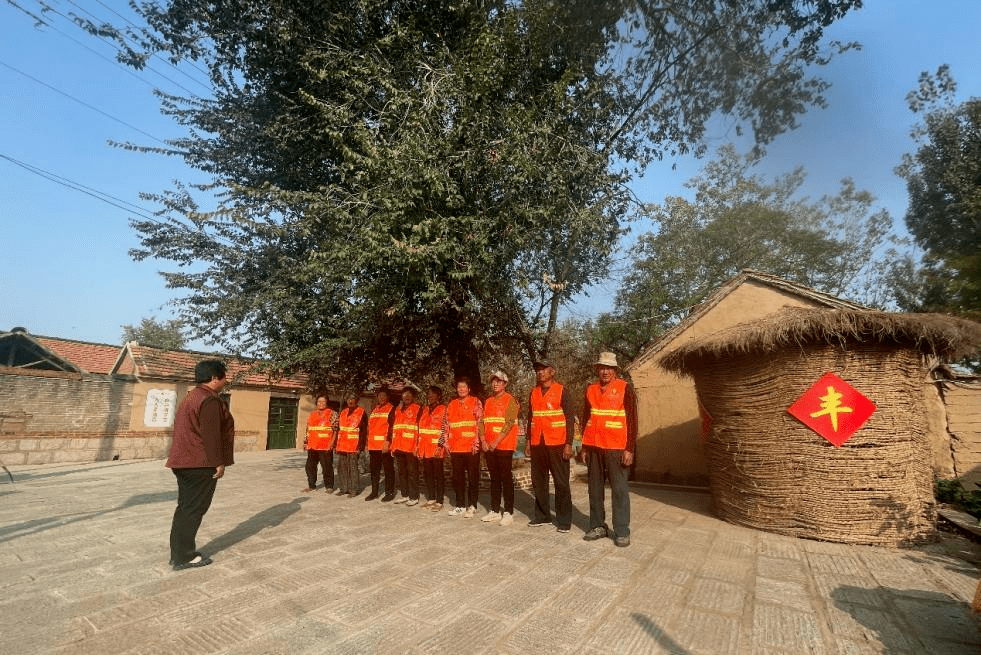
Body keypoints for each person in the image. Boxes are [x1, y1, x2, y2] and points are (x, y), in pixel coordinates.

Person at [166, 359, 235, 570]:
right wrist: (218, 463)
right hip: (199, 462)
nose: (226, 380)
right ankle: (184, 557)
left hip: (184, 461)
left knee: (186, 508)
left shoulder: (192, 396)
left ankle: (178, 553)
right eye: (224, 376)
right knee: (193, 509)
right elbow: (211, 435)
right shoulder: (209, 400)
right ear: (214, 378)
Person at [581, 352, 638, 547]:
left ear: (615, 370)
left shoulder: (625, 388)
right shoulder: (590, 389)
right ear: (597, 369)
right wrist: (584, 446)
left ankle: (622, 530)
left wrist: (629, 448)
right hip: (594, 446)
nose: (605, 371)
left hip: (616, 447)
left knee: (619, 490)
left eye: (609, 368)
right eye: (602, 368)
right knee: (594, 489)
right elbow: (586, 418)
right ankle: (597, 526)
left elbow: (632, 420)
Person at [525, 359, 575, 533]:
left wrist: (569, 443)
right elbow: (530, 418)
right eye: (538, 370)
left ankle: (564, 520)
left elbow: (569, 418)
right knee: (538, 482)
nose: (540, 373)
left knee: (561, 483)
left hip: (557, 443)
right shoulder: (533, 392)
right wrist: (528, 441)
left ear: (552, 372)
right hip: (538, 443)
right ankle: (542, 516)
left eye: (544, 370)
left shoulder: (562, 391)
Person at [481, 371, 519, 526]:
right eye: (494, 381)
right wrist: (483, 440)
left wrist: (496, 441)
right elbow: (482, 422)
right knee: (494, 479)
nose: (495, 384)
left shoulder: (511, 400)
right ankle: (495, 510)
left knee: (506, 478)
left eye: (499, 381)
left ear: (505, 384)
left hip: (504, 445)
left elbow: (509, 423)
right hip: (490, 447)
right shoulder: (488, 401)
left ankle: (509, 512)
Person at [441, 376, 483, 518]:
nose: (461, 389)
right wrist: (446, 443)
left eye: (464, 387)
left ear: (469, 388)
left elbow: (480, 423)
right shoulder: (451, 404)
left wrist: (477, 443)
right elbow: (446, 425)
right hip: (455, 448)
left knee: (472, 478)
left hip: (471, 448)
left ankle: (472, 505)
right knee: (457, 478)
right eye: (459, 387)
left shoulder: (476, 402)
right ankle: (460, 505)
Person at [417, 386, 447, 511]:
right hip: (424, 448)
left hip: (437, 448)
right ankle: (431, 498)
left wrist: (440, 446)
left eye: (432, 394)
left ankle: (439, 501)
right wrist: (418, 447)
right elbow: (420, 429)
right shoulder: (424, 409)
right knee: (428, 474)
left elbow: (445, 429)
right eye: (428, 394)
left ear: (438, 396)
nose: (429, 396)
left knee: (438, 475)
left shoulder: (444, 409)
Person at [391, 386, 421, 506]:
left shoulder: (418, 408)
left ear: (413, 396)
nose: (406, 396)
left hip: (411, 446)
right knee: (402, 472)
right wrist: (393, 446)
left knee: (412, 473)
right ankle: (405, 495)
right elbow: (395, 428)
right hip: (399, 446)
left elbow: (420, 428)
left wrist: (417, 446)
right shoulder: (398, 409)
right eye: (404, 394)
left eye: (408, 394)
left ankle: (414, 497)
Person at [365, 388, 397, 502]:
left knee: (388, 470)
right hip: (373, 446)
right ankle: (374, 492)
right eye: (380, 396)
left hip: (385, 446)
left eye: (384, 396)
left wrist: (388, 442)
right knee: (374, 471)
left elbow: (392, 427)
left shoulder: (391, 409)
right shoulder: (375, 409)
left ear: (388, 397)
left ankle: (389, 492)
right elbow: (371, 428)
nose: (382, 398)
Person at [303, 395, 338, 493]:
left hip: (325, 445)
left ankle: (329, 486)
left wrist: (332, 443)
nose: (321, 403)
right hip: (313, 445)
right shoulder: (312, 414)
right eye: (319, 401)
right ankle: (311, 485)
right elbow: (308, 429)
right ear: (316, 403)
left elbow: (335, 430)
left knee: (327, 467)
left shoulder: (332, 413)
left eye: (323, 401)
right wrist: (305, 442)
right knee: (310, 466)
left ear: (327, 403)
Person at [335, 394, 367, 496]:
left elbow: (364, 431)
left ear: (356, 400)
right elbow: (340, 429)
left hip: (354, 445)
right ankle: (343, 489)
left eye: (352, 399)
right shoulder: (343, 412)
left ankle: (354, 490)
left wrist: (361, 446)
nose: (350, 401)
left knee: (353, 468)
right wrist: (336, 444)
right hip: (342, 445)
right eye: (348, 399)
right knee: (342, 467)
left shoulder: (361, 412)